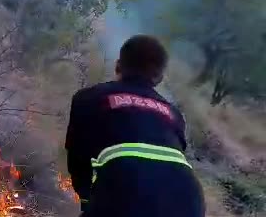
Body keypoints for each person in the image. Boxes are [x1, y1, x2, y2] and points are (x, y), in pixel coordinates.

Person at [65, 35, 206, 217]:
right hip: (188, 198)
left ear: (118, 66)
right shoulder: (174, 114)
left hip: (126, 190)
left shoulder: (90, 97)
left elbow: (78, 159)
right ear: (159, 77)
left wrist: (87, 202)